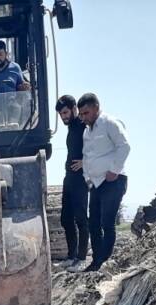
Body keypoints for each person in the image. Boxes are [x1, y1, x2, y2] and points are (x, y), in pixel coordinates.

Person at [78, 92, 130, 273]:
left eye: (86, 113)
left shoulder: (110, 123)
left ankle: (104, 262)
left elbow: (125, 146)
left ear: (96, 108)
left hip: (114, 181)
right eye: (81, 114)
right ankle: (96, 261)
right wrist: (87, 178)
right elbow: (86, 156)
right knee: (93, 222)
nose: (83, 117)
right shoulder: (86, 131)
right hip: (96, 183)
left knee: (107, 222)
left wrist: (114, 171)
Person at [55, 94, 89, 270]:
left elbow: (97, 147)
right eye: (61, 114)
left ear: (74, 108)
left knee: (81, 219)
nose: (64, 117)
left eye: (66, 112)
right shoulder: (71, 128)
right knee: (66, 219)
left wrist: (86, 162)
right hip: (68, 179)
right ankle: (71, 256)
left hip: (80, 179)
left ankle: (82, 259)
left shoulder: (84, 126)